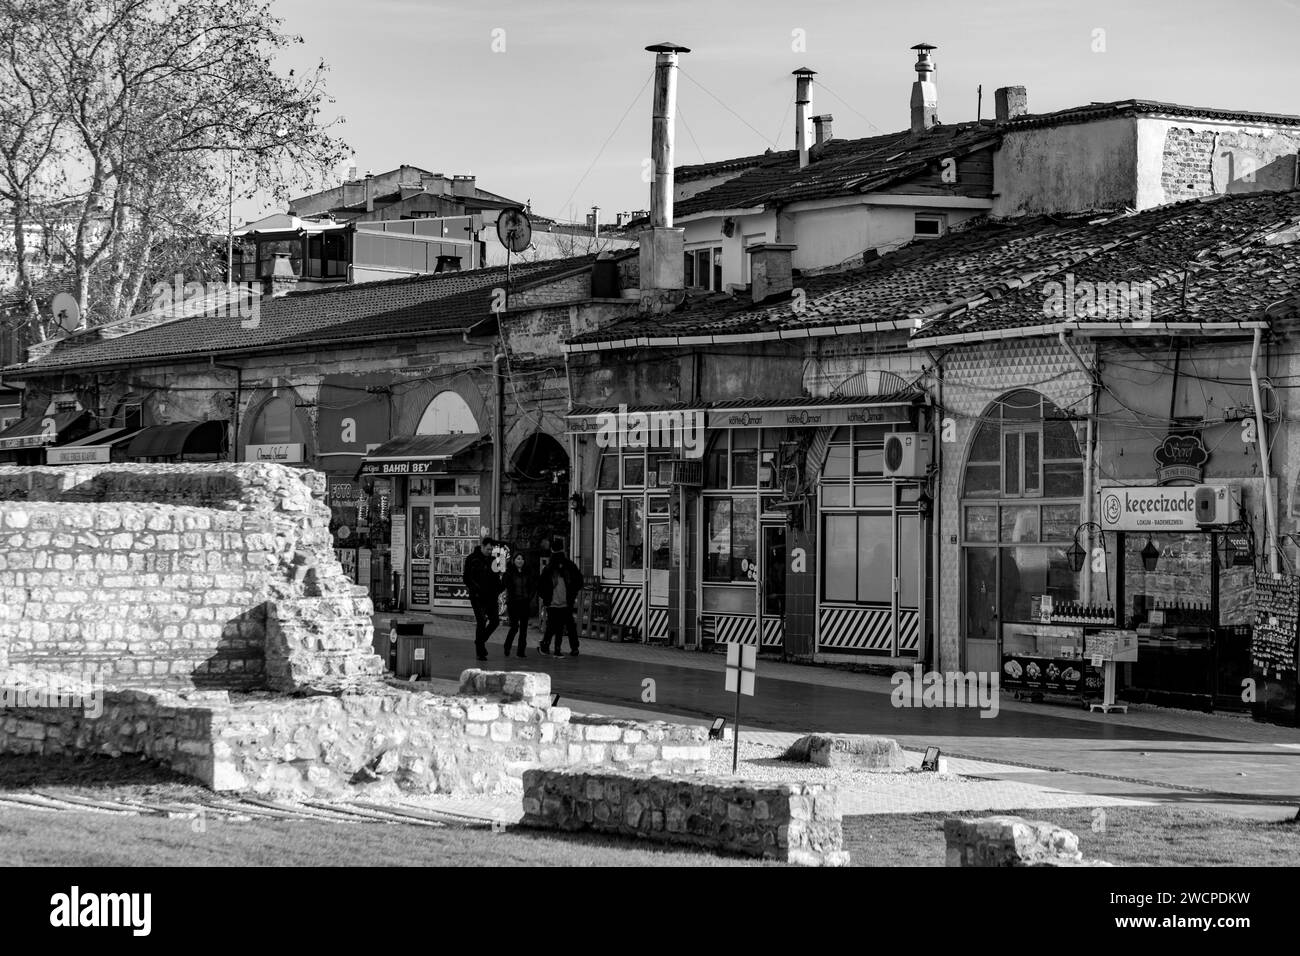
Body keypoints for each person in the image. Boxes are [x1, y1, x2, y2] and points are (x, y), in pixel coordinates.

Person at [538, 543, 584, 658]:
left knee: (553, 625)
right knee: (569, 625)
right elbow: (579, 581)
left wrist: (546, 599)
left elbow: (541, 586)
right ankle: (573, 648)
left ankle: (546, 645)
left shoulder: (549, 568)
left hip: (554, 602)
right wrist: (572, 595)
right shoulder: (570, 565)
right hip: (566, 602)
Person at [463, 535, 503, 661]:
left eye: (491, 549)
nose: (490, 551)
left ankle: (480, 641)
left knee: (495, 621)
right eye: (488, 549)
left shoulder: (493, 560)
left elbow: (497, 578)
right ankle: (480, 652)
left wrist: (498, 590)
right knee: (481, 621)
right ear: (482, 547)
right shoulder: (472, 559)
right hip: (477, 596)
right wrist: (475, 590)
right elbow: (467, 577)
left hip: (491, 596)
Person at [502, 552, 536, 658]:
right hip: (513, 603)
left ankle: (521, 651)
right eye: (518, 558)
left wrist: (529, 597)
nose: (520, 561)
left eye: (522, 559)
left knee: (524, 629)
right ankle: (507, 646)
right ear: (514, 560)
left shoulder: (528, 572)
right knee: (514, 627)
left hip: (524, 603)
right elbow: (505, 584)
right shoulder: (509, 572)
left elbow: (532, 586)